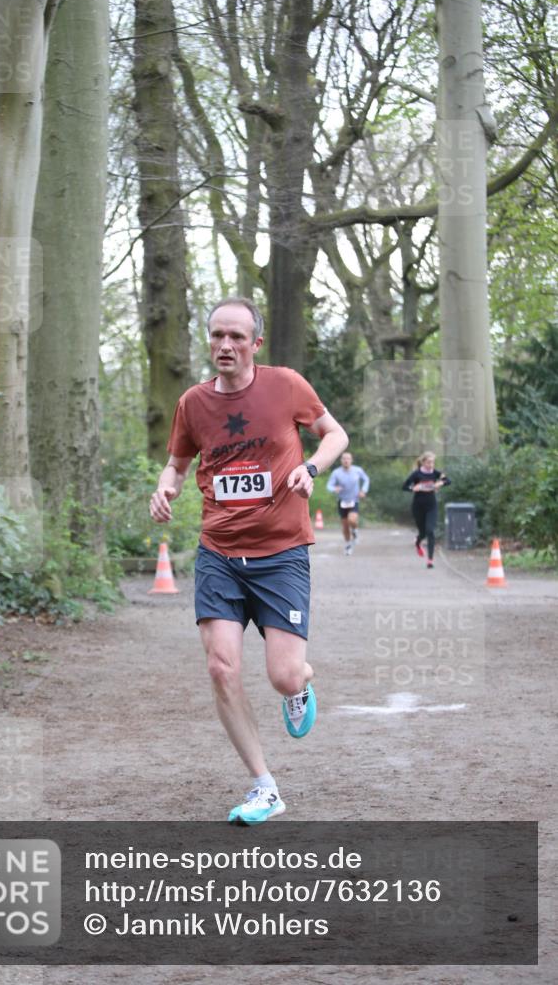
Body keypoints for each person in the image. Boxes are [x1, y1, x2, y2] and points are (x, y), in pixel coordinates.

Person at [149, 297, 348, 825]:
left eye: (237, 336)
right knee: (220, 667)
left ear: (255, 344)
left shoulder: (285, 385)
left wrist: (311, 467)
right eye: (217, 335)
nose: (225, 345)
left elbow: (336, 434)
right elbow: (175, 463)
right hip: (218, 553)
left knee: (282, 676)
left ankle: (301, 683)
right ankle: (265, 786)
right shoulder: (192, 403)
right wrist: (164, 488)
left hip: (281, 554)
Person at [402, 450, 451, 569]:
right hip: (418, 506)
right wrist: (414, 488)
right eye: (429, 462)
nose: (431, 465)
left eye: (433, 462)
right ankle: (418, 542)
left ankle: (430, 560)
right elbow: (405, 486)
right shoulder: (416, 474)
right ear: (423, 462)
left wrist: (441, 484)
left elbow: (448, 481)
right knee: (422, 532)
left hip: (431, 506)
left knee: (430, 530)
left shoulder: (435, 473)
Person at [326, 452, 370, 555]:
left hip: (354, 499)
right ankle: (348, 545)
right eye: (344, 459)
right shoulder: (336, 473)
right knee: (345, 525)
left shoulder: (357, 470)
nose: (346, 460)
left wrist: (363, 490)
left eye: (348, 459)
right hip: (342, 501)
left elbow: (366, 479)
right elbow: (329, 486)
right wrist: (334, 489)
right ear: (341, 461)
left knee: (352, 519)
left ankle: (355, 531)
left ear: (351, 460)